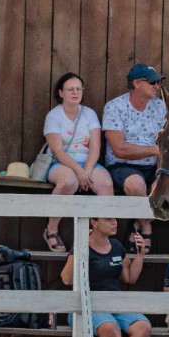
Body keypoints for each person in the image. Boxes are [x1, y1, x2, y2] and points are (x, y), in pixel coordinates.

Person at [59, 216, 150, 337]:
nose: (115, 223)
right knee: (110, 327)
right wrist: (78, 250)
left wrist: (140, 254)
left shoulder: (117, 246)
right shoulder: (82, 245)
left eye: (115, 219)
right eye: (108, 219)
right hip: (86, 306)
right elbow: (66, 279)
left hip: (115, 305)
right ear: (93, 222)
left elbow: (130, 278)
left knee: (143, 327)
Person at [42, 73, 113, 252]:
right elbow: (57, 151)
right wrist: (79, 172)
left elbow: (95, 148)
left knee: (105, 184)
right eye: (70, 89)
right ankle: (51, 230)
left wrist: (87, 171)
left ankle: (101, 234)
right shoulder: (54, 116)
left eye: (78, 89)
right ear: (61, 92)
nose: (75, 92)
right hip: (61, 163)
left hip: (88, 162)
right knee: (69, 182)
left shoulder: (89, 114)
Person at [102, 63, 166, 254]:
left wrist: (161, 167)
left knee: (168, 185)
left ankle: (135, 227)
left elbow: (167, 143)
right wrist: (155, 150)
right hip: (122, 165)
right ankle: (146, 227)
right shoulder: (115, 107)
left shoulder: (161, 107)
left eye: (159, 82)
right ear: (137, 83)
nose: (157, 86)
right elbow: (119, 149)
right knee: (136, 185)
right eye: (153, 82)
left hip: (154, 166)